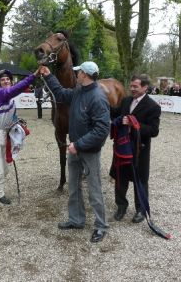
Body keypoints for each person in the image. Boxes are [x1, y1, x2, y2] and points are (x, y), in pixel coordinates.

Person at [40, 61, 110, 243]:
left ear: (85, 75)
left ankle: (101, 226)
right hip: (75, 149)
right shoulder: (79, 91)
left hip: (88, 151)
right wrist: (48, 75)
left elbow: (102, 130)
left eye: (79, 72)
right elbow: (62, 94)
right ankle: (76, 220)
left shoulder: (98, 97)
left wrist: (78, 145)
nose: (76, 74)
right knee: (73, 187)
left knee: (94, 190)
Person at [110, 74, 161, 223]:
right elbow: (114, 113)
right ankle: (121, 206)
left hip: (140, 151)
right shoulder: (126, 101)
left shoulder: (153, 107)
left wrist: (134, 124)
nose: (131, 89)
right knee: (121, 178)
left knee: (140, 180)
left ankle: (141, 210)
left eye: (135, 86)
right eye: (131, 86)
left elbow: (154, 130)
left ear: (145, 87)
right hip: (122, 148)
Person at [0, 68, 40, 205]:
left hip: (5, 134)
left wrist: (17, 124)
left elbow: (11, 115)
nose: (6, 81)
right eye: (3, 80)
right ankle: (0, 194)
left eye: (8, 79)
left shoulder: (10, 100)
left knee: (5, 169)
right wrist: (33, 76)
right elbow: (15, 89)